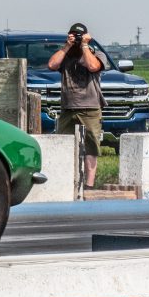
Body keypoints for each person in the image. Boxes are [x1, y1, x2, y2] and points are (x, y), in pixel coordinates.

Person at [48, 22, 109, 188]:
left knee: (91, 147)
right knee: (63, 145)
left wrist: (84, 45)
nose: (76, 39)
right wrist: (67, 46)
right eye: (74, 35)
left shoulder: (97, 54)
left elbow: (93, 66)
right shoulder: (65, 55)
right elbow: (52, 65)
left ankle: (89, 185)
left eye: (79, 36)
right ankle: (64, 182)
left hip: (90, 107)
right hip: (68, 108)